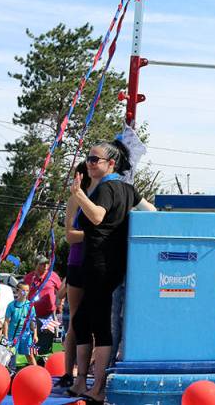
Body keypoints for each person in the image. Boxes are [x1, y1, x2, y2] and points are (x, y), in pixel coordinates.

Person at [69, 142, 154, 403]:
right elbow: (151, 212)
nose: (90, 163)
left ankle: (98, 387)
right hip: (102, 264)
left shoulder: (107, 187)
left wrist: (79, 194)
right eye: (89, 159)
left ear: (111, 164)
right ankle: (82, 380)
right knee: (83, 320)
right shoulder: (127, 189)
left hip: (102, 266)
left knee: (100, 326)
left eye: (96, 159)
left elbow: (96, 216)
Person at [59, 160, 93, 388]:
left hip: (102, 266)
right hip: (78, 264)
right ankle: (68, 372)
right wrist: (95, 234)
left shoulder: (103, 196)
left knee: (98, 322)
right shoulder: (75, 199)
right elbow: (70, 235)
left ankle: (89, 371)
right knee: (76, 320)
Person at [23, 254, 62, 359]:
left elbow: (61, 291)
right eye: (42, 264)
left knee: (47, 338)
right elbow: (23, 293)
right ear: (36, 265)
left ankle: (44, 359)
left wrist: (60, 304)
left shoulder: (53, 276)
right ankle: (34, 360)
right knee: (33, 338)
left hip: (49, 314)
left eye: (47, 263)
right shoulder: (28, 278)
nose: (45, 266)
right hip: (33, 314)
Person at [3, 283, 37, 363]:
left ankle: (36, 371)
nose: (25, 293)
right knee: (11, 355)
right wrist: (6, 336)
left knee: (30, 354)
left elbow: (33, 321)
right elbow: (6, 322)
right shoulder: (11, 305)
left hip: (26, 335)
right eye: (23, 291)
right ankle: (11, 372)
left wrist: (35, 334)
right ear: (17, 291)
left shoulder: (30, 305)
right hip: (13, 335)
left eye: (27, 291)